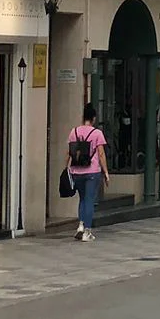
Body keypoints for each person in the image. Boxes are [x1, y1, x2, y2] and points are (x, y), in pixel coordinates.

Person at [67, 103, 108, 241]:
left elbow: (69, 152)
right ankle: (87, 232)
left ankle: (80, 225)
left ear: (83, 117)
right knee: (90, 200)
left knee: (82, 199)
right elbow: (101, 154)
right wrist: (106, 172)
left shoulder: (74, 132)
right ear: (94, 118)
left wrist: (66, 168)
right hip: (92, 172)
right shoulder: (97, 133)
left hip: (76, 171)